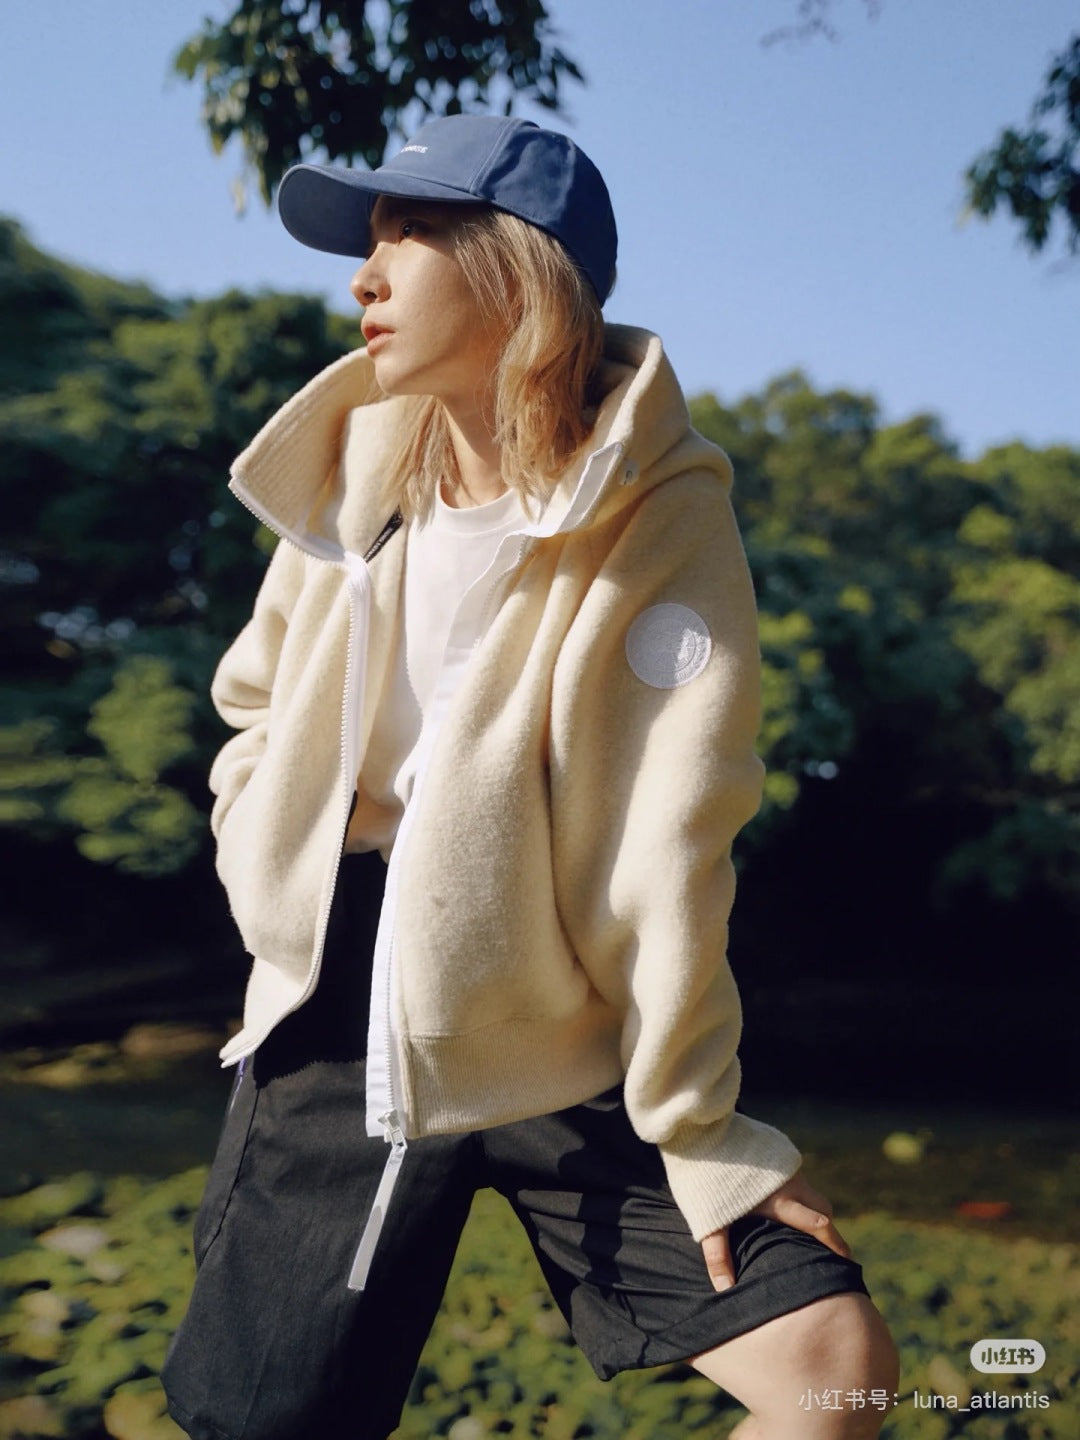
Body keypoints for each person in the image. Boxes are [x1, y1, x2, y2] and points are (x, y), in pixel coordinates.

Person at [162, 114, 899, 1440]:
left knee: (832, 1367)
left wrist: (699, 1126)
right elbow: (251, 704)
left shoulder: (661, 510)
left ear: (522, 272)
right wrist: (266, 852)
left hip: (569, 1029)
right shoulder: (354, 474)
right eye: (369, 242)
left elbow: (669, 837)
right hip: (342, 1011)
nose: (364, 276)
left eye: (408, 234)